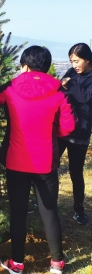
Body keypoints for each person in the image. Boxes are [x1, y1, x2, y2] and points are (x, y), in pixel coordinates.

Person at [0, 46, 76, 274]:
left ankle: (17, 263)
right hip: (46, 162)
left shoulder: (11, 90)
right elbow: (68, 127)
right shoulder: (58, 93)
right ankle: (57, 263)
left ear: (24, 66)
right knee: (49, 211)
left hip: (16, 162)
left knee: (18, 212)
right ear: (46, 67)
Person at [59, 42, 92, 225]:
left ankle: (79, 210)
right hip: (62, 129)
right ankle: (43, 203)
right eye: (71, 61)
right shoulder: (72, 73)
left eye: (77, 61)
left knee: (76, 173)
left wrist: (68, 85)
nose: (74, 66)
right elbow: (60, 87)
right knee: (49, 166)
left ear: (87, 59)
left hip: (80, 133)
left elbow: (85, 97)